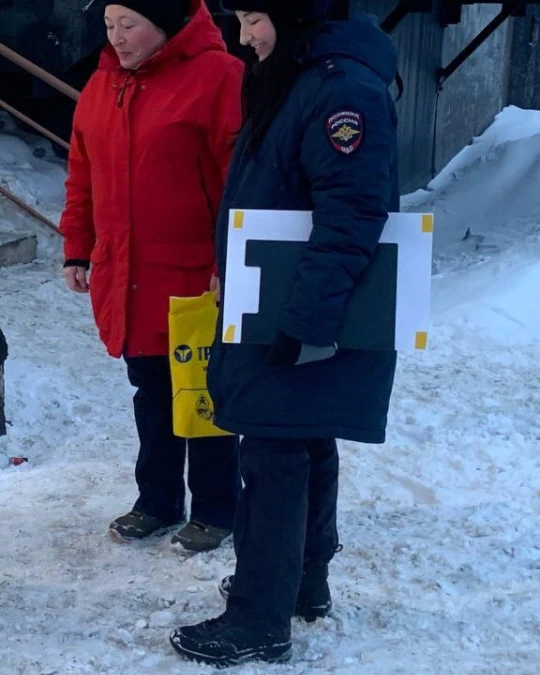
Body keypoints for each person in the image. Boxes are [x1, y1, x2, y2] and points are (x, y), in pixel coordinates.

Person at [170, 0, 400, 666]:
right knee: (303, 436)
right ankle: (301, 583)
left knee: (272, 452)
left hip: (299, 305)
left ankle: (258, 618)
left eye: (254, 19)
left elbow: (352, 211)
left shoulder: (340, 88)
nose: (244, 38)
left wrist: (304, 322)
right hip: (275, 295)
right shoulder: (302, 73)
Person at [59, 0, 243, 553]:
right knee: (151, 392)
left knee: (203, 393)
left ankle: (217, 507)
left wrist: (227, 262)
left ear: (165, 24)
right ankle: (157, 501)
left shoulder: (218, 78)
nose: (116, 37)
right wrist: (78, 247)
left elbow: (239, 181)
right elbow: (82, 173)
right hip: (128, 274)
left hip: (194, 275)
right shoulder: (102, 85)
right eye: (109, 26)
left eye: (129, 25)